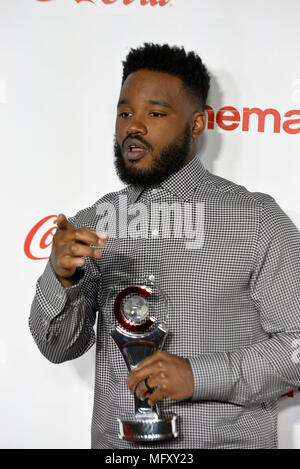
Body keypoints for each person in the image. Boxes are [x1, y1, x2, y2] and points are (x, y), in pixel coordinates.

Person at [29, 43, 300, 449]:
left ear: (195, 125)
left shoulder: (255, 219)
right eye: (124, 113)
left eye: (155, 114)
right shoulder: (92, 224)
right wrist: (61, 278)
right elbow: (57, 347)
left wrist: (198, 376)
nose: (133, 127)